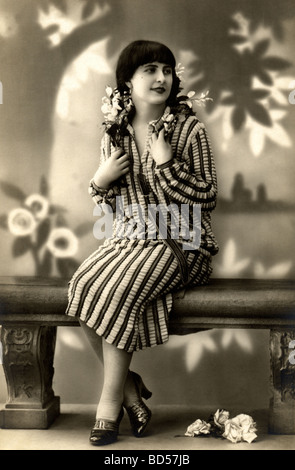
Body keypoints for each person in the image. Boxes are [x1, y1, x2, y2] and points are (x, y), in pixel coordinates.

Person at [66, 39, 219, 446]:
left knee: (117, 288)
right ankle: (133, 389)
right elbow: (111, 207)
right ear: (126, 83)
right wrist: (100, 180)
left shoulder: (189, 130)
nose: (161, 78)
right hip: (130, 240)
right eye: (149, 70)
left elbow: (208, 197)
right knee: (81, 285)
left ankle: (110, 403)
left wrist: (167, 163)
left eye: (167, 70)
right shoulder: (114, 133)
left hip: (184, 244)